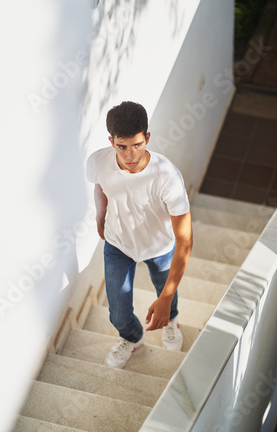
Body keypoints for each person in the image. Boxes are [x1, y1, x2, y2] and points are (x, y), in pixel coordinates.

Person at [87, 101, 193, 369]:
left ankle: (171, 320)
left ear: (147, 138)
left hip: (160, 247)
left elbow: (185, 241)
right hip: (117, 244)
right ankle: (132, 337)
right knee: (119, 315)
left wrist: (166, 299)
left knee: (166, 292)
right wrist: (101, 216)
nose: (130, 154)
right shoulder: (98, 161)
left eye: (137, 144)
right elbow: (100, 187)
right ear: (111, 141)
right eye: (122, 147)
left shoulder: (167, 177)